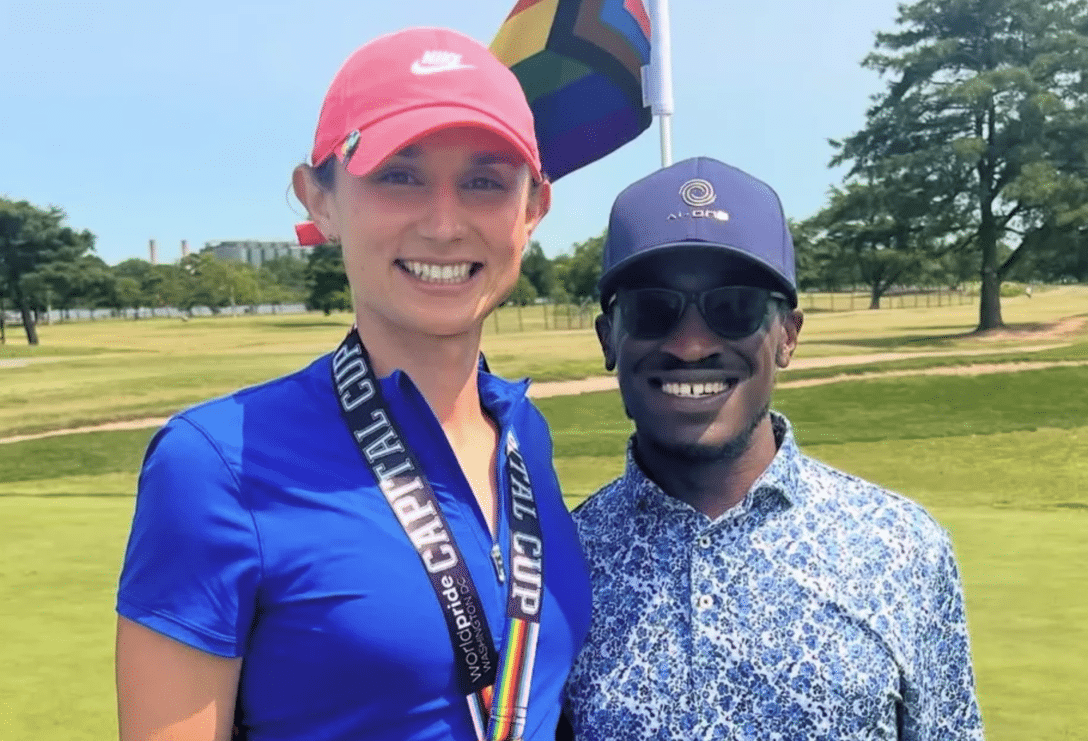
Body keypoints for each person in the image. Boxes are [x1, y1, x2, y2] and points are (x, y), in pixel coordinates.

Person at [115, 28, 591, 741]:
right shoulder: (215, 463)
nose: (443, 221)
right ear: (321, 200)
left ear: (532, 210)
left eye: (485, 180)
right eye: (399, 174)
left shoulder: (525, 435)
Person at [562, 157, 984, 740]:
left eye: (733, 308)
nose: (690, 345)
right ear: (610, 338)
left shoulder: (901, 549)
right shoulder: (557, 565)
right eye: (653, 308)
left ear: (787, 336)